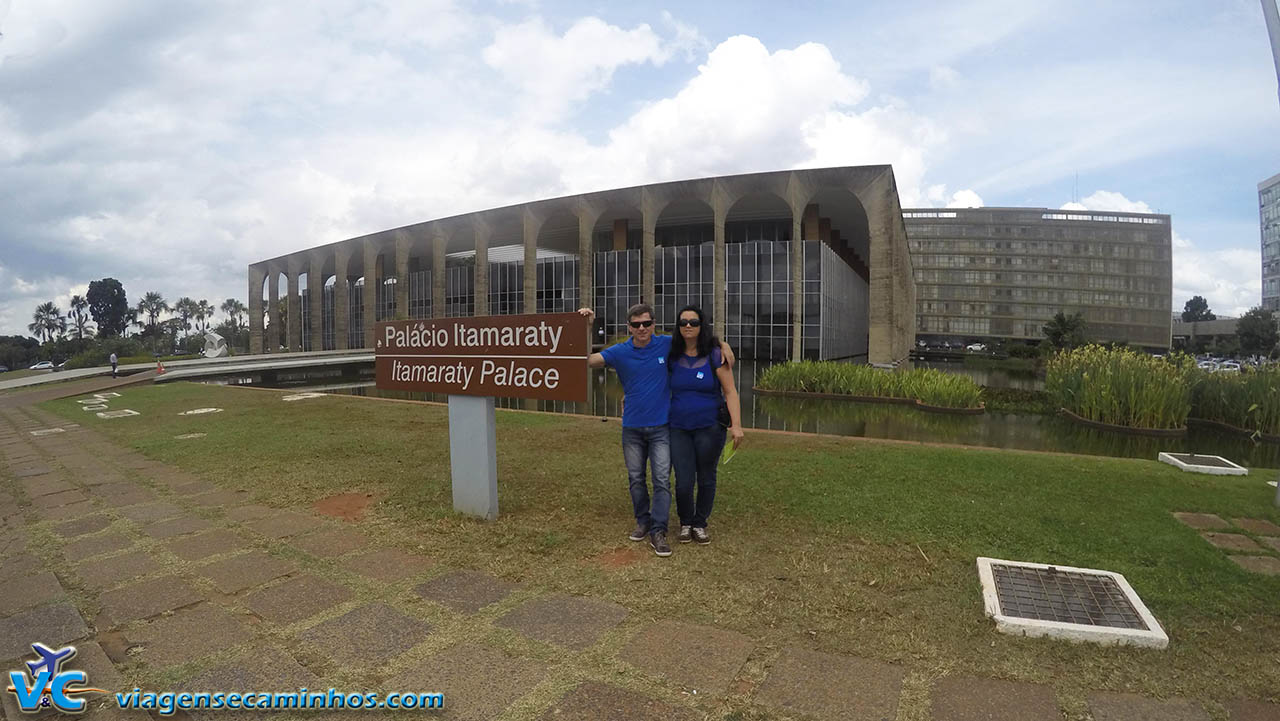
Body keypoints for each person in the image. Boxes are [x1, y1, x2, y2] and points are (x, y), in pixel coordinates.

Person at [581, 303, 733, 558]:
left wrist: (723, 345)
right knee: (636, 479)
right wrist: (586, 328)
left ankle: (659, 530)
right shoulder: (619, 351)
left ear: (654, 324)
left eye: (647, 323)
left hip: (662, 427)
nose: (642, 328)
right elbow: (587, 361)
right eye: (637, 324)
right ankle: (643, 521)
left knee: (662, 480)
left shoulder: (665, 344)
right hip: (632, 428)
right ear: (629, 327)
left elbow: (695, 336)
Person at [667, 305, 742, 545]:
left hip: (710, 427)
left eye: (694, 322)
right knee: (684, 480)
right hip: (678, 427)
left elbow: (730, 392)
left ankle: (700, 524)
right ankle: (685, 522)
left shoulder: (715, 354)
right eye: (683, 322)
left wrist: (737, 426)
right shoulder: (672, 354)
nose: (688, 326)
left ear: (702, 326)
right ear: (678, 327)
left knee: (707, 476)